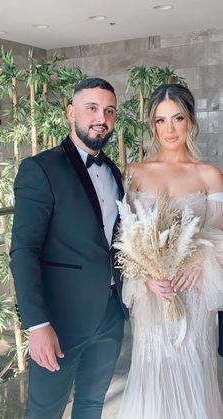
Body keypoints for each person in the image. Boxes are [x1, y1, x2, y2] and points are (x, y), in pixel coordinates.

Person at [10, 77, 128, 419]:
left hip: (110, 314)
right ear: (71, 112)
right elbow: (23, 251)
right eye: (91, 108)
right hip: (59, 320)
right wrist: (36, 325)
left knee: (92, 404)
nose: (100, 118)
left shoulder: (114, 172)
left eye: (108, 110)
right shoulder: (40, 169)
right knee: (45, 411)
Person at [116, 83, 223, 419]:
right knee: (152, 367)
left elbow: (220, 233)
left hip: (194, 293)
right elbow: (126, 235)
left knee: (193, 365)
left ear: (190, 120)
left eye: (177, 118)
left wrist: (203, 261)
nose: (170, 129)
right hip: (153, 297)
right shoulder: (134, 173)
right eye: (161, 121)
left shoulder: (209, 175)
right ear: (153, 126)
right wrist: (146, 279)